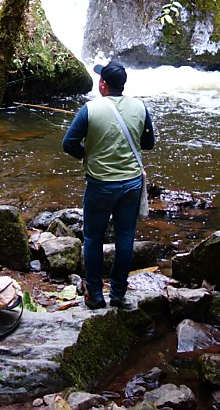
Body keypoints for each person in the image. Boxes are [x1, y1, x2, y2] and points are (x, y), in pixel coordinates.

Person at [62, 60, 155, 309]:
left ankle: (95, 294)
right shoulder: (140, 107)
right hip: (131, 185)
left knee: (93, 238)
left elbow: (68, 144)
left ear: (103, 84)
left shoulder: (90, 110)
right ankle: (118, 293)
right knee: (125, 237)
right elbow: (148, 144)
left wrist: (87, 154)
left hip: (100, 185)